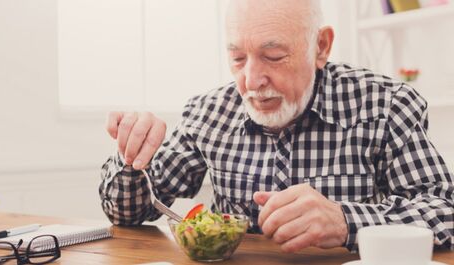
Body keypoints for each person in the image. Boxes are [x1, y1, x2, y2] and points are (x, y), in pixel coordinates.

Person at [99, 0, 454, 252]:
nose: (251, 80)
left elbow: (444, 212)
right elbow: (128, 213)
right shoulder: (208, 111)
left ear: (321, 46)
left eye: (273, 56)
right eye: (237, 58)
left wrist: (346, 221)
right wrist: (131, 157)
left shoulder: (385, 104)